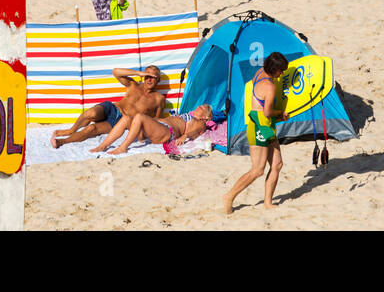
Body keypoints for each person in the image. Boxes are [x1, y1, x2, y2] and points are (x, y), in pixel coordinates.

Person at [223, 51, 288, 213]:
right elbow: (267, 112)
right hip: (259, 127)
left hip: (266, 126)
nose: (283, 73)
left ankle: (268, 203)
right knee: (258, 170)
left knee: (277, 164)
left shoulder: (260, 72)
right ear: (275, 70)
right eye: (281, 70)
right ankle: (229, 196)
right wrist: (280, 113)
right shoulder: (270, 86)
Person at [50, 64, 166, 147]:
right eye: (147, 76)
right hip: (112, 108)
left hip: (121, 122)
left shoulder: (159, 99)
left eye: (153, 77)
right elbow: (116, 71)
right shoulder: (133, 85)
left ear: (159, 80)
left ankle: (62, 142)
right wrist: (137, 73)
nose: (149, 80)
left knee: (92, 128)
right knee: (92, 113)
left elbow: (156, 119)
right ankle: (71, 130)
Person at [94, 104, 214, 155]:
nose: (198, 107)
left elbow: (194, 132)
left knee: (139, 117)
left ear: (206, 116)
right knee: (126, 118)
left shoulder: (200, 123)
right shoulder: (189, 115)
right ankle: (103, 146)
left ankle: (123, 148)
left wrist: (185, 136)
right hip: (158, 127)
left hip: (168, 132)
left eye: (202, 108)